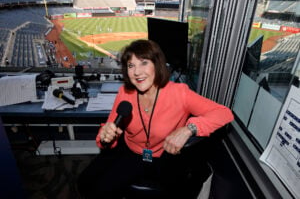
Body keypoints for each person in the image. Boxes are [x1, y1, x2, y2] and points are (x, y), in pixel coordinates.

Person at [77, 40, 234, 199]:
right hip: (131, 151)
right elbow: (110, 129)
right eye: (131, 66)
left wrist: (189, 128)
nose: (137, 72)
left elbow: (224, 113)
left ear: (157, 64)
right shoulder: (125, 93)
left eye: (144, 63)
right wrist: (106, 136)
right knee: (84, 184)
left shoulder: (180, 93)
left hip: (164, 157)